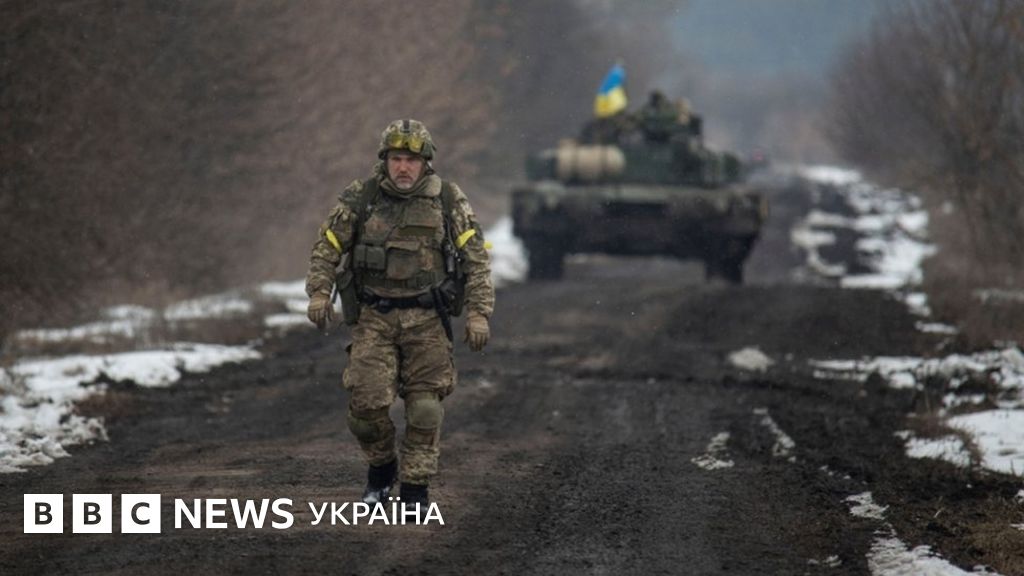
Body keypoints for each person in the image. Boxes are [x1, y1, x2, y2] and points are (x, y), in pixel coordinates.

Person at [305, 119, 494, 508]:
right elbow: (327, 247)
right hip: (375, 318)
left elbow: (476, 260)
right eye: (396, 159)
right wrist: (319, 293)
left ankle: (415, 489)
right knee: (365, 409)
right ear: (385, 160)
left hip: (427, 320)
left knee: (424, 409)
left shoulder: (447, 200)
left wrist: (479, 313)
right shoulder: (362, 197)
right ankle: (381, 469)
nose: (403, 167)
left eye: (411, 160)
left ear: (425, 162)